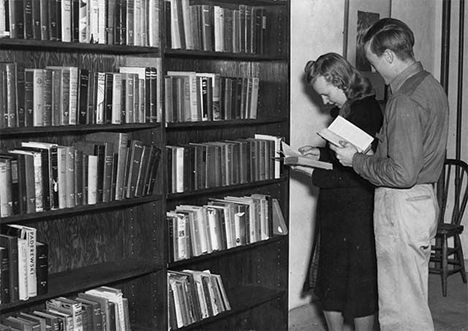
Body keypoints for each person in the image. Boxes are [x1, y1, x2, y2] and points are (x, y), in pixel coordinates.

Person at [330, 18, 449, 331]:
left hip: (401, 204)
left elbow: (402, 173)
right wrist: (372, 156)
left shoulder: (404, 98)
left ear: (389, 57)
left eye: (372, 61)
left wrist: (355, 160)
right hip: (421, 202)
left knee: (400, 312)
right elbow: (411, 156)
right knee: (412, 300)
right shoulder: (429, 84)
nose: (373, 69)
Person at [295, 52, 383, 331]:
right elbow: (341, 154)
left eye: (326, 93)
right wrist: (319, 153)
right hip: (334, 207)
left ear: (341, 82)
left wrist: (312, 171)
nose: (323, 101)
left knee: (359, 283)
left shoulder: (367, 111)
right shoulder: (345, 112)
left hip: (358, 208)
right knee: (329, 277)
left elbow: (360, 169)